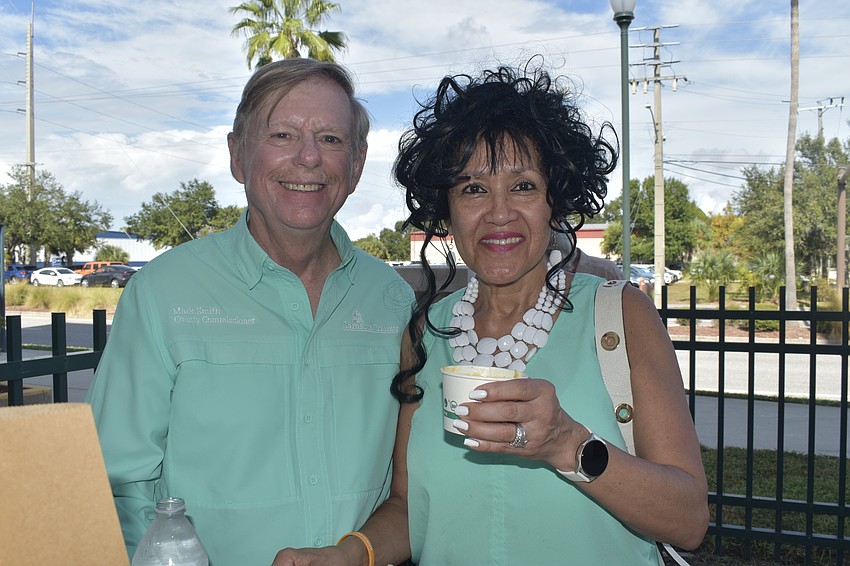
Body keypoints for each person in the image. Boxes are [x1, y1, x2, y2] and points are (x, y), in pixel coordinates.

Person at [275, 61, 708, 565]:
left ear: (554, 199)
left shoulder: (619, 315)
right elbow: (411, 507)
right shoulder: (425, 335)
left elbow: (688, 520)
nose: (499, 212)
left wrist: (566, 443)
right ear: (448, 209)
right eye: (473, 189)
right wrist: (350, 555)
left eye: (522, 185)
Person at [86, 58, 414, 565]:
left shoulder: (392, 300)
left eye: (331, 139)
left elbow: (412, 484)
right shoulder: (162, 293)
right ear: (237, 156)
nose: (308, 158)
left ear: (357, 163)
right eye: (282, 135)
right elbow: (115, 486)